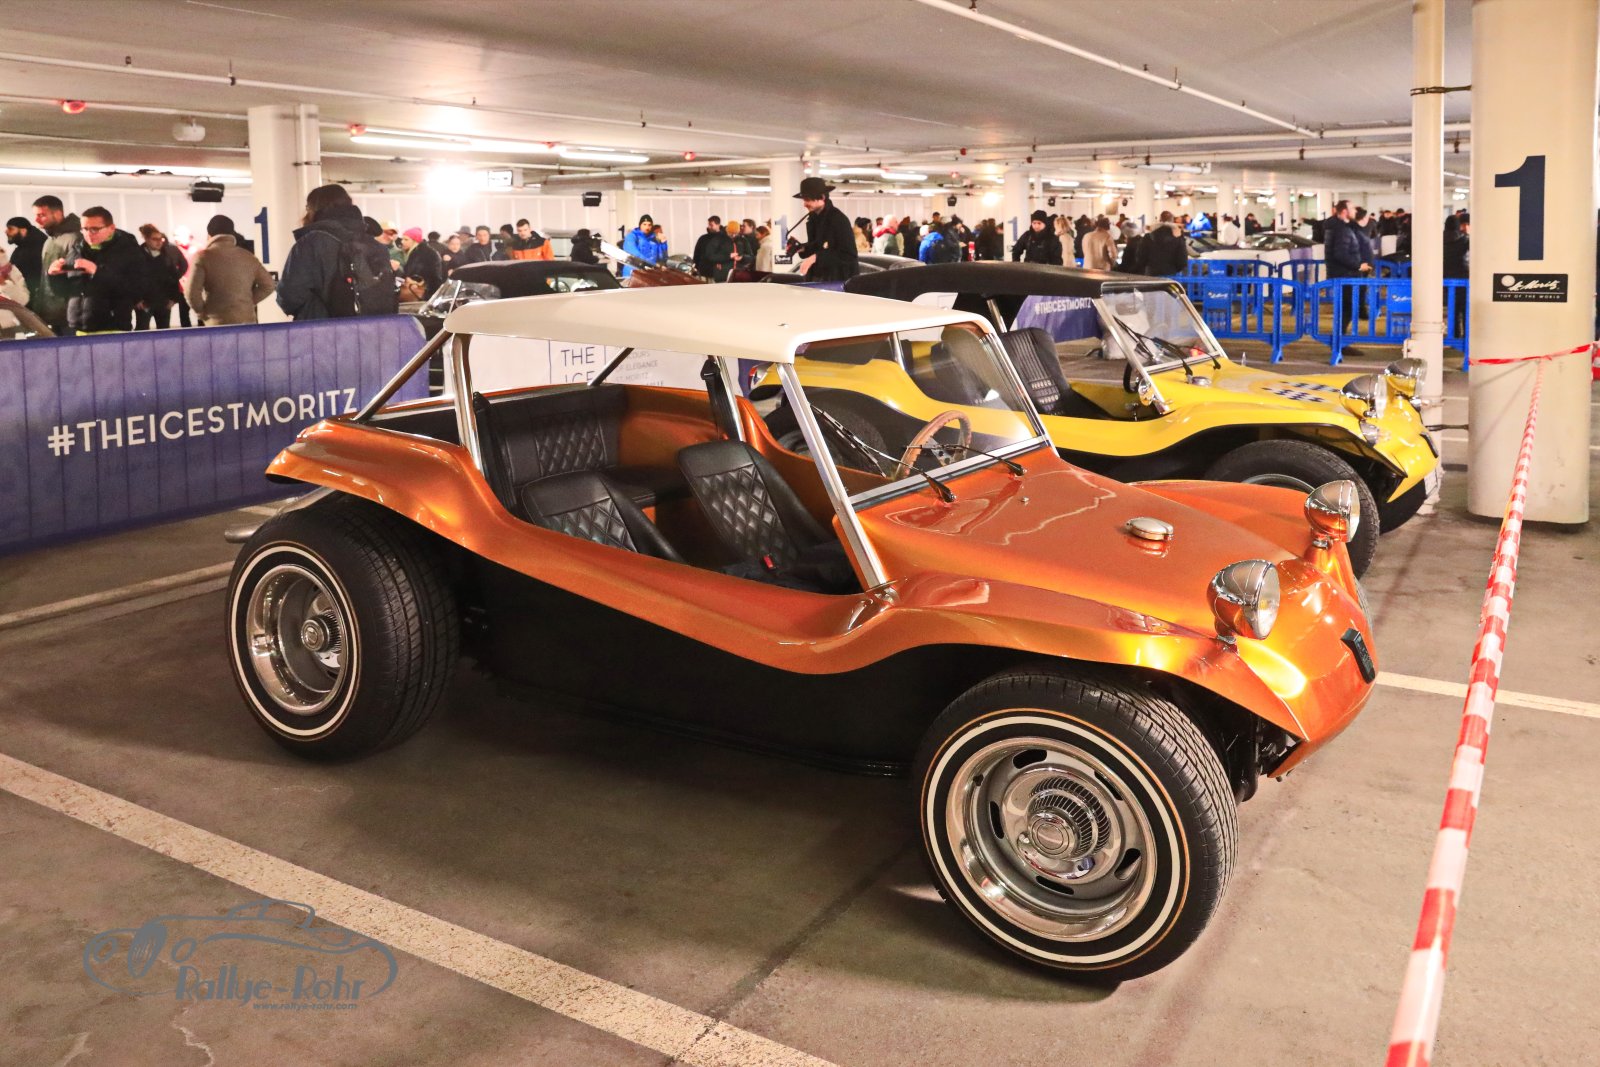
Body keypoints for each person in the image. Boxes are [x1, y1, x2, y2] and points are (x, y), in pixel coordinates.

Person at [277, 183, 395, 320]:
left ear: (313, 209)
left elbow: (289, 296)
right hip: (373, 327)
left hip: (321, 327)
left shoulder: (310, 243)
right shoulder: (373, 243)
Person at [48, 205, 143, 333]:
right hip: (79, 327)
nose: (88, 234)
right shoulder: (76, 250)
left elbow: (136, 291)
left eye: (95, 229)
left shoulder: (127, 251)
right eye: (85, 229)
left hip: (113, 328)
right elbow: (64, 292)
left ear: (111, 228)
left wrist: (97, 272)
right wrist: (55, 276)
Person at [188, 214, 275, 325]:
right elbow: (269, 285)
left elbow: (191, 292)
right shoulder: (248, 256)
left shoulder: (203, 257)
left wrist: (202, 312)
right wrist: (248, 302)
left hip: (216, 323)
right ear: (232, 233)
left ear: (209, 235)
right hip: (246, 321)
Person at [31, 195, 84, 333]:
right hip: (51, 315)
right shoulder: (49, 241)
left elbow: (78, 278)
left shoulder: (74, 239)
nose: (36, 220)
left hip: (67, 316)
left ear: (58, 214)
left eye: (42, 215)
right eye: (35, 215)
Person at [791, 177, 858, 282]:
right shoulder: (814, 219)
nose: (804, 204)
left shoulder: (838, 219)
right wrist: (802, 248)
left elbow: (849, 254)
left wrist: (816, 257)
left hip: (838, 280)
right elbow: (818, 245)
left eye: (807, 199)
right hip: (820, 278)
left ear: (822, 197)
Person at [1323, 199, 1371, 331]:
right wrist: (1359, 266)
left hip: (1343, 274)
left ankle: (1339, 337)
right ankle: (1339, 338)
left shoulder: (1341, 227)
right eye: (1352, 208)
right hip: (1344, 275)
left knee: (1346, 308)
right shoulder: (1341, 230)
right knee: (1347, 308)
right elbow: (1340, 254)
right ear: (1345, 211)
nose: (1355, 211)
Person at [133, 224, 188, 330]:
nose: (159, 242)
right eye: (155, 239)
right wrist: (137, 299)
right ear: (147, 239)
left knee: (164, 331)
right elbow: (132, 279)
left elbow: (174, 277)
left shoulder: (166, 255)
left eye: (160, 239)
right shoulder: (138, 256)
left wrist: (173, 298)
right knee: (142, 330)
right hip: (145, 302)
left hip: (163, 301)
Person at [1443, 213, 1470, 339]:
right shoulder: (1464, 240)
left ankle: (1454, 336)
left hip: (1446, 278)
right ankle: (1466, 336)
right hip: (1463, 278)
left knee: (1452, 308)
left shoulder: (1439, 239)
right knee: (1465, 309)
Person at [397, 227, 445, 298]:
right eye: (402, 239)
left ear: (415, 241)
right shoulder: (411, 253)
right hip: (416, 292)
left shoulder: (426, 254)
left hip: (422, 294)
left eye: (406, 239)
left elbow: (434, 277)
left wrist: (416, 282)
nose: (402, 242)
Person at [6, 216, 45, 299]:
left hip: (34, 298)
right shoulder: (22, 247)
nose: (6, 231)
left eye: (11, 229)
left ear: (23, 230)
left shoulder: (36, 247)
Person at [1142, 212, 1188, 277]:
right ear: (1172, 221)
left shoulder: (1148, 237)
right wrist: (1176, 269)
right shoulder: (1178, 237)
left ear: (1160, 220)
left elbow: (1141, 257)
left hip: (1151, 273)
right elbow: (1182, 258)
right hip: (1171, 272)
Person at [692, 215, 735, 280]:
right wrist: (695, 269)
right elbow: (696, 254)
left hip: (717, 273)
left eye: (711, 225)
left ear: (718, 225)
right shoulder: (703, 238)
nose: (709, 227)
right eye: (708, 225)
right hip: (702, 272)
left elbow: (728, 255)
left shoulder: (725, 239)